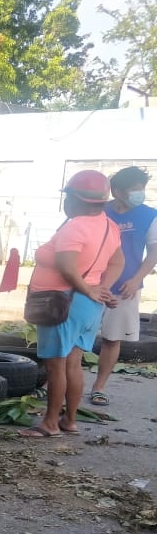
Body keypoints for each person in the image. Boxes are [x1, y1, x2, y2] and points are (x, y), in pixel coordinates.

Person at [21, 171, 123, 438]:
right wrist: (100, 288)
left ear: (76, 199)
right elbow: (117, 262)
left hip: (63, 303)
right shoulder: (108, 225)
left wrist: (87, 288)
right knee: (73, 363)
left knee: (56, 365)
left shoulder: (76, 226)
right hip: (88, 305)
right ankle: (70, 420)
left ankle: (50, 423)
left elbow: (67, 268)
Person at [89, 166, 157, 405]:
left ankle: (99, 388)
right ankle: (51, 383)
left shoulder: (150, 215)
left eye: (142, 188)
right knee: (72, 337)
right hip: (89, 286)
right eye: (134, 189)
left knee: (112, 339)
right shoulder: (99, 211)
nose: (140, 193)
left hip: (125, 288)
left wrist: (136, 279)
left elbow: (153, 253)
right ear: (117, 191)